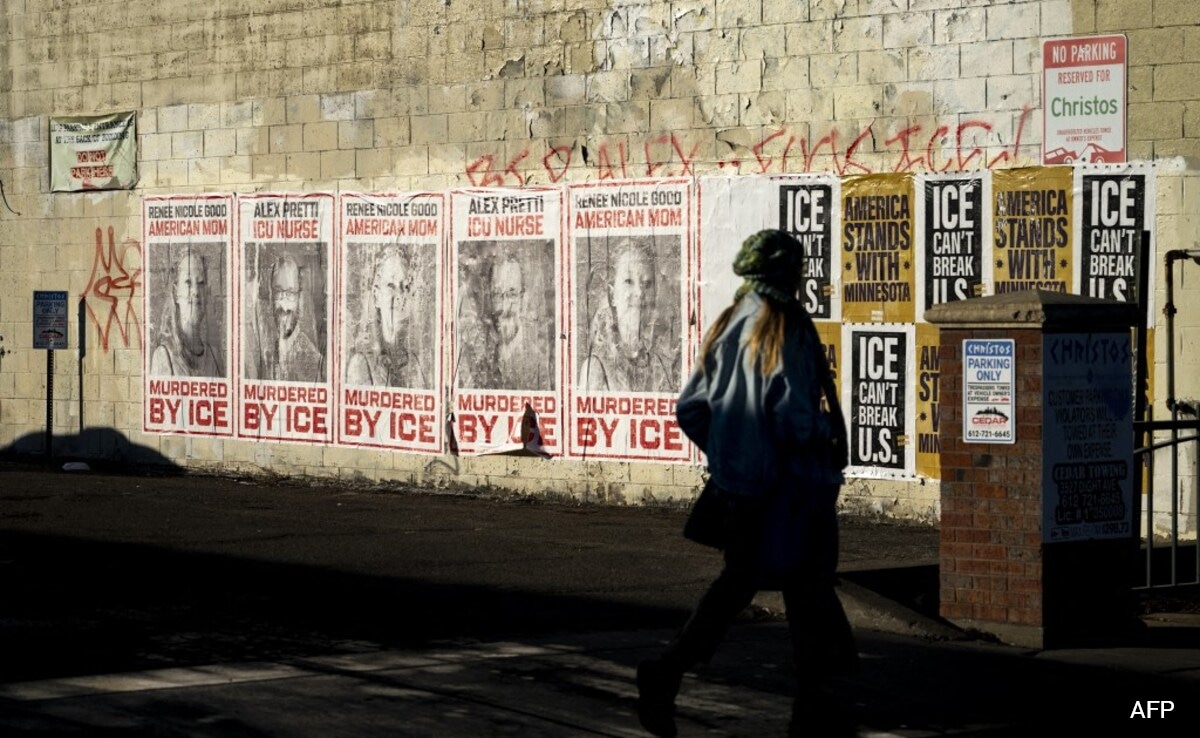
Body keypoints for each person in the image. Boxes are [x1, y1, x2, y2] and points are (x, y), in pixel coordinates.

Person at [636, 229, 858, 738]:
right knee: (807, 587)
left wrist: (731, 455)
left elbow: (691, 408)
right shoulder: (785, 326)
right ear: (788, 272)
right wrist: (824, 434)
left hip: (741, 491)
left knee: (738, 586)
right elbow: (793, 416)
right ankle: (818, 695)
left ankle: (669, 669)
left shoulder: (728, 322)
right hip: (792, 491)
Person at [580, 238, 679, 392]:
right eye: (628, 281)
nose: (640, 292)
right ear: (612, 295)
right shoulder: (596, 368)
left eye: (647, 284)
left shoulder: (660, 366)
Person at [460, 252, 553, 390]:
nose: (503, 308)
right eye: (497, 294)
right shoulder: (479, 356)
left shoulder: (536, 363)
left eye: (511, 294)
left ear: (523, 298)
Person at [346, 245, 429, 388]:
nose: (400, 296)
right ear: (377, 296)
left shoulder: (414, 364)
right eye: (391, 286)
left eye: (405, 287)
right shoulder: (362, 365)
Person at [149, 247, 225, 377]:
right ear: (176, 292)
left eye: (201, 283)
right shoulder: (164, 357)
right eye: (188, 282)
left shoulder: (214, 358)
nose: (196, 291)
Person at [265, 255, 324, 382]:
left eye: (290, 293)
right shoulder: (269, 350)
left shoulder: (311, 360)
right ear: (271, 296)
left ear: (300, 298)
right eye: (278, 292)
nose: (284, 305)